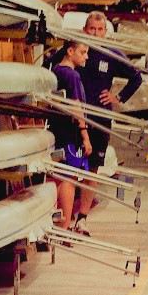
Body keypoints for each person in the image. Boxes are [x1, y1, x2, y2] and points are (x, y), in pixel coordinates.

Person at [72, 11, 144, 229]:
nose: (95, 33)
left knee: (92, 168)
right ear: (85, 30)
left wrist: (118, 97)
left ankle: (82, 218)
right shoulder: (76, 49)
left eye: (99, 29)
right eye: (91, 29)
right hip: (74, 115)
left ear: (105, 32)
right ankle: (64, 216)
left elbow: (136, 77)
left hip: (100, 117)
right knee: (69, 166)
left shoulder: (112, 54)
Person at [49, 40, 94, 230]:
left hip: (55, 131)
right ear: (70, 51)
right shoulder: (72, 75)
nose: (86, 57)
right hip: (69, 134)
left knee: (56, 178)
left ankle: (56, 224)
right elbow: (76, 107)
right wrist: (85, 136)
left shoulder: (55, 71)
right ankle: (65, 227)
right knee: (69, 179)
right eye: (83, 52)